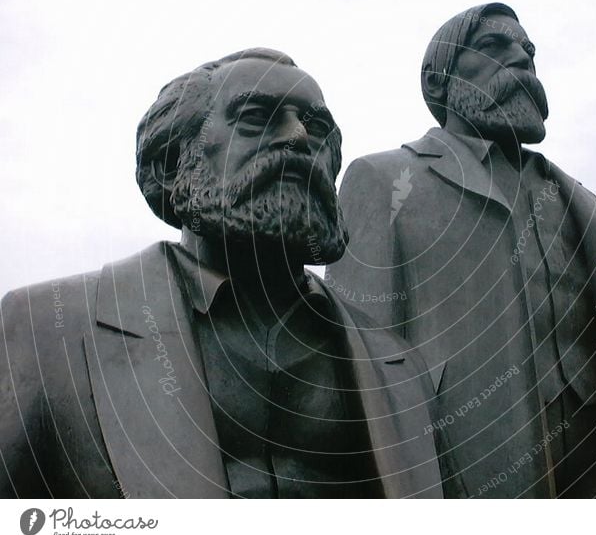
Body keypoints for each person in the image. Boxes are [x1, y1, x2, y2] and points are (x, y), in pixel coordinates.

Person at [0, 48, 442, 498]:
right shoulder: (46, 331)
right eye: (255, 117)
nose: (299, 136)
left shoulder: (400, 366)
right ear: (171, 166)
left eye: (318, 127)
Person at [326, 4, 596, 498]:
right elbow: (358, 364)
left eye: (529, 51)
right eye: (496, 47)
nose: (521, 58)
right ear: (438, 83)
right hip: (467, 468)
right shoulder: (385, 180)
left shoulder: (578, 203)